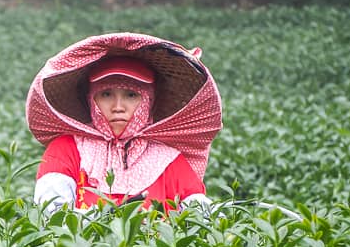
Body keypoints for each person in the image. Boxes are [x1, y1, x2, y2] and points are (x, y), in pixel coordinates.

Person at [25, 33, 223, 215]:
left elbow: (202, 216)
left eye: (131, 95)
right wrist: (109, 218)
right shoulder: (67, 149)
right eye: (106, 94)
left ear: (149, 101)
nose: (118, 106)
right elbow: (50, 216)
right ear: (90, 99)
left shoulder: (169, 160)